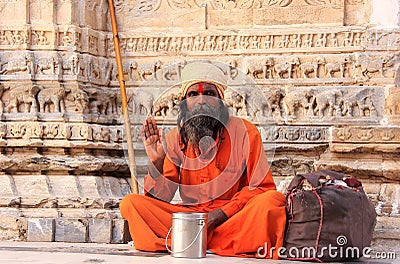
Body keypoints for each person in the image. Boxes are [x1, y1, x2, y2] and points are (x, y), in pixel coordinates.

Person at [120, 61, 286, 259]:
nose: (201, 101)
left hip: (232, 217)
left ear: (220, 100)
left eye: (209, 93)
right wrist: (156, 164)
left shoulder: (245, 132)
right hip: (189, 218)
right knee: (131, 204)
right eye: (193, 94)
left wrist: (221, 214)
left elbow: (262, 187)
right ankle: (213, 242)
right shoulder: (174, 138)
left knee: (272, 202)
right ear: (185, 103)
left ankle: (187, 241)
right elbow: (160, 199)